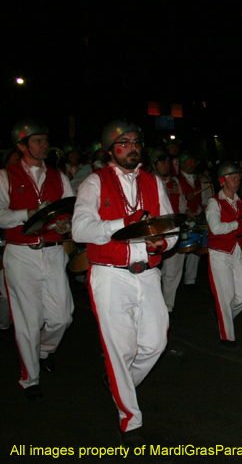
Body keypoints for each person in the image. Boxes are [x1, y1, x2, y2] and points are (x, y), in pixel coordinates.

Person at [72, 120, 177, 446]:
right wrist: (123, 225)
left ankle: (119, 383)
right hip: (110, 275)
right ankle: (130, 418)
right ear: (110, 150)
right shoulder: (94, 181)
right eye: (124, 142)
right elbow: (80, 230)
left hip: (147, 274)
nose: (132, 147)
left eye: (135, 142)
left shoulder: (152, 181)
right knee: (121, 349)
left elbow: (170, 228)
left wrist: (163, 243)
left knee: (155, 343)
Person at [0, 119, 74, 400]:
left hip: (54, 252)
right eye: (38, 141)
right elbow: (1, 215)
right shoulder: (5, 176)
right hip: (21, 255)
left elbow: (68, 209)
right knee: (29, 320)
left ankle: (43, 351)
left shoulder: (59, 176)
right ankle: (30, 378)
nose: (44, 145)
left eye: (45, 140)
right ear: (22, 146)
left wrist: (65, 225)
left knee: (62, 317)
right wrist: (29, 212)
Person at [207, 162, 242, 350]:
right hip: (220, 253)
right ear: (222, 181)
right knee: (225, 297)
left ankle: (223, 317)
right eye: (232, 178)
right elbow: (216, 229)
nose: (236, 181)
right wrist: (237, 224)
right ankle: (227, 337)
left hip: (239, 251)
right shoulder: (214, 202)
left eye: (238, 178)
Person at [150, 148, 187, 312]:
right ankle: (154, 303)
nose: (167, 165)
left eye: (168, 162)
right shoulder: (147, 183)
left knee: (174, 271)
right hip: (154, 234)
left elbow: (182, 205)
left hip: (173, 231)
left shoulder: (176, 183)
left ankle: (167, 307)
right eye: (162, 162)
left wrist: (185, 215)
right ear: (153, 164)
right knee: (155, 271)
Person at [176, 152, 205, 287]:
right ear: (182, 164)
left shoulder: (199, 180)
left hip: (196, 218)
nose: (192, 164)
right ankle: (177, 278)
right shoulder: (176, 180)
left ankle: (190, 280)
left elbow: (203, 200)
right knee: (182, 251)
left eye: (193, 161)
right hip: (183, 219)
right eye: (189, 161)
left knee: (195, 250)